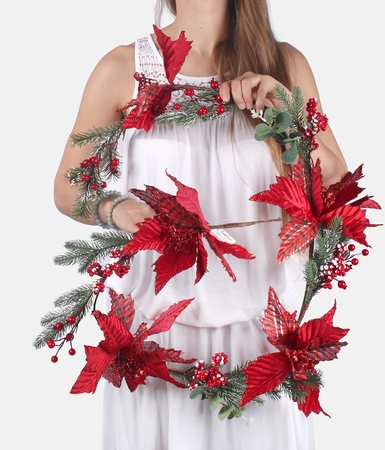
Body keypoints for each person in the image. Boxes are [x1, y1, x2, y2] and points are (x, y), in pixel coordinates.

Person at [54, 0, 347, 448]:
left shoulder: (283, 64)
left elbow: (334, 182)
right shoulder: (125, 67)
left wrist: (284, 115)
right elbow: (68, 187)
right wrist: (116, 209)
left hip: (261, 337)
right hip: (155, 342)